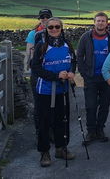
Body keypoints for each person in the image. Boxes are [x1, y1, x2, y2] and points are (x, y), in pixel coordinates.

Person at [31, 17, 76, 167]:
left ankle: (60, 148)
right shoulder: (41, 46)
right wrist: (55, 76)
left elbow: (73, 61)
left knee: (62, 120)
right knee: (44, 122)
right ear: (46, 29)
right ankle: (44, 152)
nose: (54, 29)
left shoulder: (67, 44)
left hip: (62, 90)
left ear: (61, 28)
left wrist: (71, 72)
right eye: (51, 27)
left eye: (57, 27)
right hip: (45, 90)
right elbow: (35, 68)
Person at [77, 12, 110, 143]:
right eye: (98, 21)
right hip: (91, 78)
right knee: (91, 106)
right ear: (94, 22)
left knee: (105, 106)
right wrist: (84, 74)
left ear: (106, 23)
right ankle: (91, 131)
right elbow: (79, 56)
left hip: (106, 78)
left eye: (103, 21)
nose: (100, 23)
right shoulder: (86, 37)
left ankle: (100, 129)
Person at [25, 9, 52, 135]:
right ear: (39, 19)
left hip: (52, 71)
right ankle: (40, 132)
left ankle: (52, 131)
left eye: (47, 16)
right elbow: (29, 52)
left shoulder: (55, 30)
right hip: (38, 72)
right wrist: (28, 67)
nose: (45, 19)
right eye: (42, 17)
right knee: (39, 104)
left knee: (53, 104)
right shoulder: (33, 34)